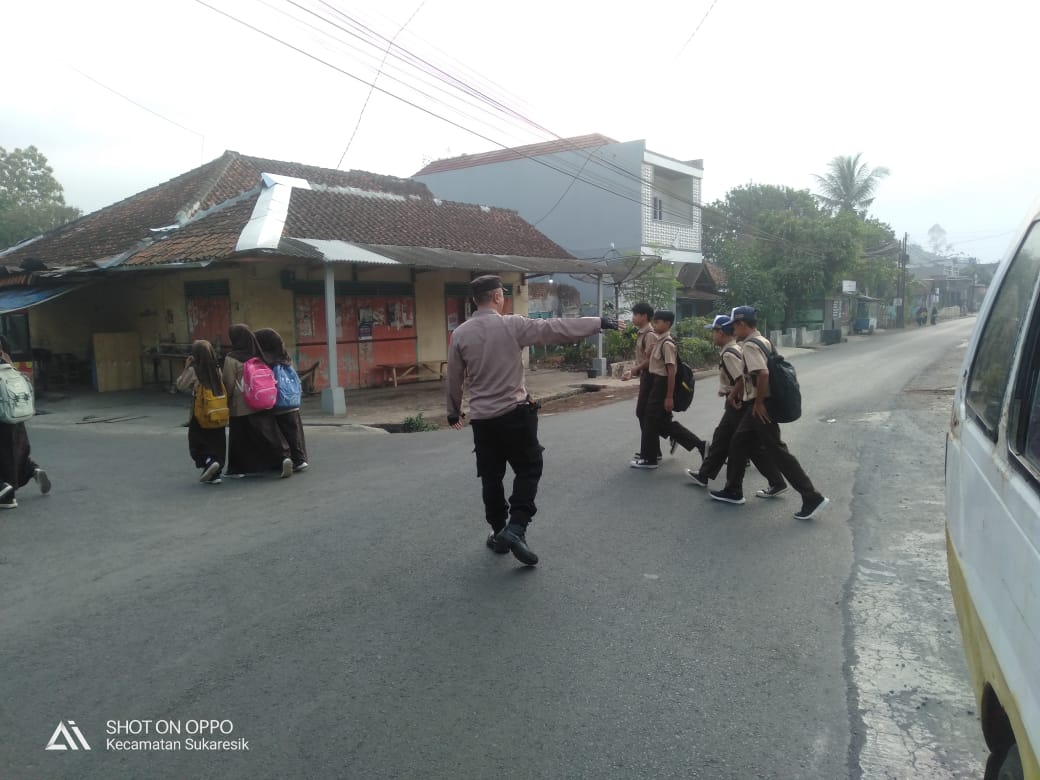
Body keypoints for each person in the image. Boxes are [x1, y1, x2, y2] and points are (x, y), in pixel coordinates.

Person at [446, 274, 618, 566]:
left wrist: (453, 411)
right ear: (497, 297)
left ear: (475, 300)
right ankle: (516, 526)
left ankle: (499, 531)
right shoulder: (512, 325)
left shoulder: (460, 334)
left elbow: (454, 377)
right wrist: (597, 322)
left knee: (491, 477)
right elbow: (554, 328)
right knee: (529, 468)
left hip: (483, 420)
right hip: (515, 414)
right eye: (502, 294)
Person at [709, 306, 829, 520]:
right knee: (738, 442)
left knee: (777, 451)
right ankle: (733, 490)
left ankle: (811, 496)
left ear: (742, 324)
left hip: (761, 406)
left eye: (734, 326)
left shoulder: (749, 346)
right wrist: (735, 394)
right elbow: (749, 375)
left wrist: (759, 403)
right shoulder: (762, 340)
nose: (732, 330)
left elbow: (762, 373)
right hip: (759, 403)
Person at [686, 314, 785, 495]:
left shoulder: (730, 353)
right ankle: (704, 474)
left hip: (738, 402)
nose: (712, 336)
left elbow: (741, 378)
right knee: (723, 438)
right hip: (737, 400)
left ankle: (770, 482)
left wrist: (732, 395)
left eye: (714, 332)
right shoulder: (734, 349)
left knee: (746, 445)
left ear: (721, 333)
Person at [631, 310, 705, 469]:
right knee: (659, 421)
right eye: (654, 322)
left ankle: (649, 459)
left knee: (650, 418)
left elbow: (671, 371)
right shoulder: (659, 342)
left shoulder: (667, 344)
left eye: (657, 322)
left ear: (667, 324)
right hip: (656, 383)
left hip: (662, 385)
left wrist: (669, 396)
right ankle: (700, 445)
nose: (654, 325)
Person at [222, 324, 293, 479]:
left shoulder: (231, 358)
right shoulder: (259, 353)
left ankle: (237, 469)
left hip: (241, 406)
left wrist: (226, 400)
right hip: (262, 400)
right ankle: (284, 457)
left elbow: (228, 383)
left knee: (239, 439)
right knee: (269, 434)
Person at [0, 337, 51, 509]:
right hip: (13, 411)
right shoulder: (3, 345)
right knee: (15, 448)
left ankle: (6, 492)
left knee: (5, 453)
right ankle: (31, 470)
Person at [255, 328, 309, 472]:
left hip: (276, 402)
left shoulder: (265, 360)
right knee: (293, 431)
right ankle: (300, 459)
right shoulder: (284, 357)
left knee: (279, 433)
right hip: (291, 400)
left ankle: (285, 459)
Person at [175, 340, 227, 484]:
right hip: (217, 411)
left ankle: (209, 461)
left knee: (197, 441)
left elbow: (180, 385)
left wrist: (186, 367)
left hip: (201, 413)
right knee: (217, 441)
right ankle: (216, 472)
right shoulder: (217, 369)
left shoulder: (194, 370)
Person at [620, 302, 659, 464]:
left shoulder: (650, 334)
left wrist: (634, 370)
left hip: (651, 378)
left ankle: (649, 453)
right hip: (645, 376)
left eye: (635, 314)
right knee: (645, 414)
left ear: (644, 316)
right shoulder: (642, 333)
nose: (633, 318)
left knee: (644, 414)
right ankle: (653, 451)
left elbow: (650, 361)